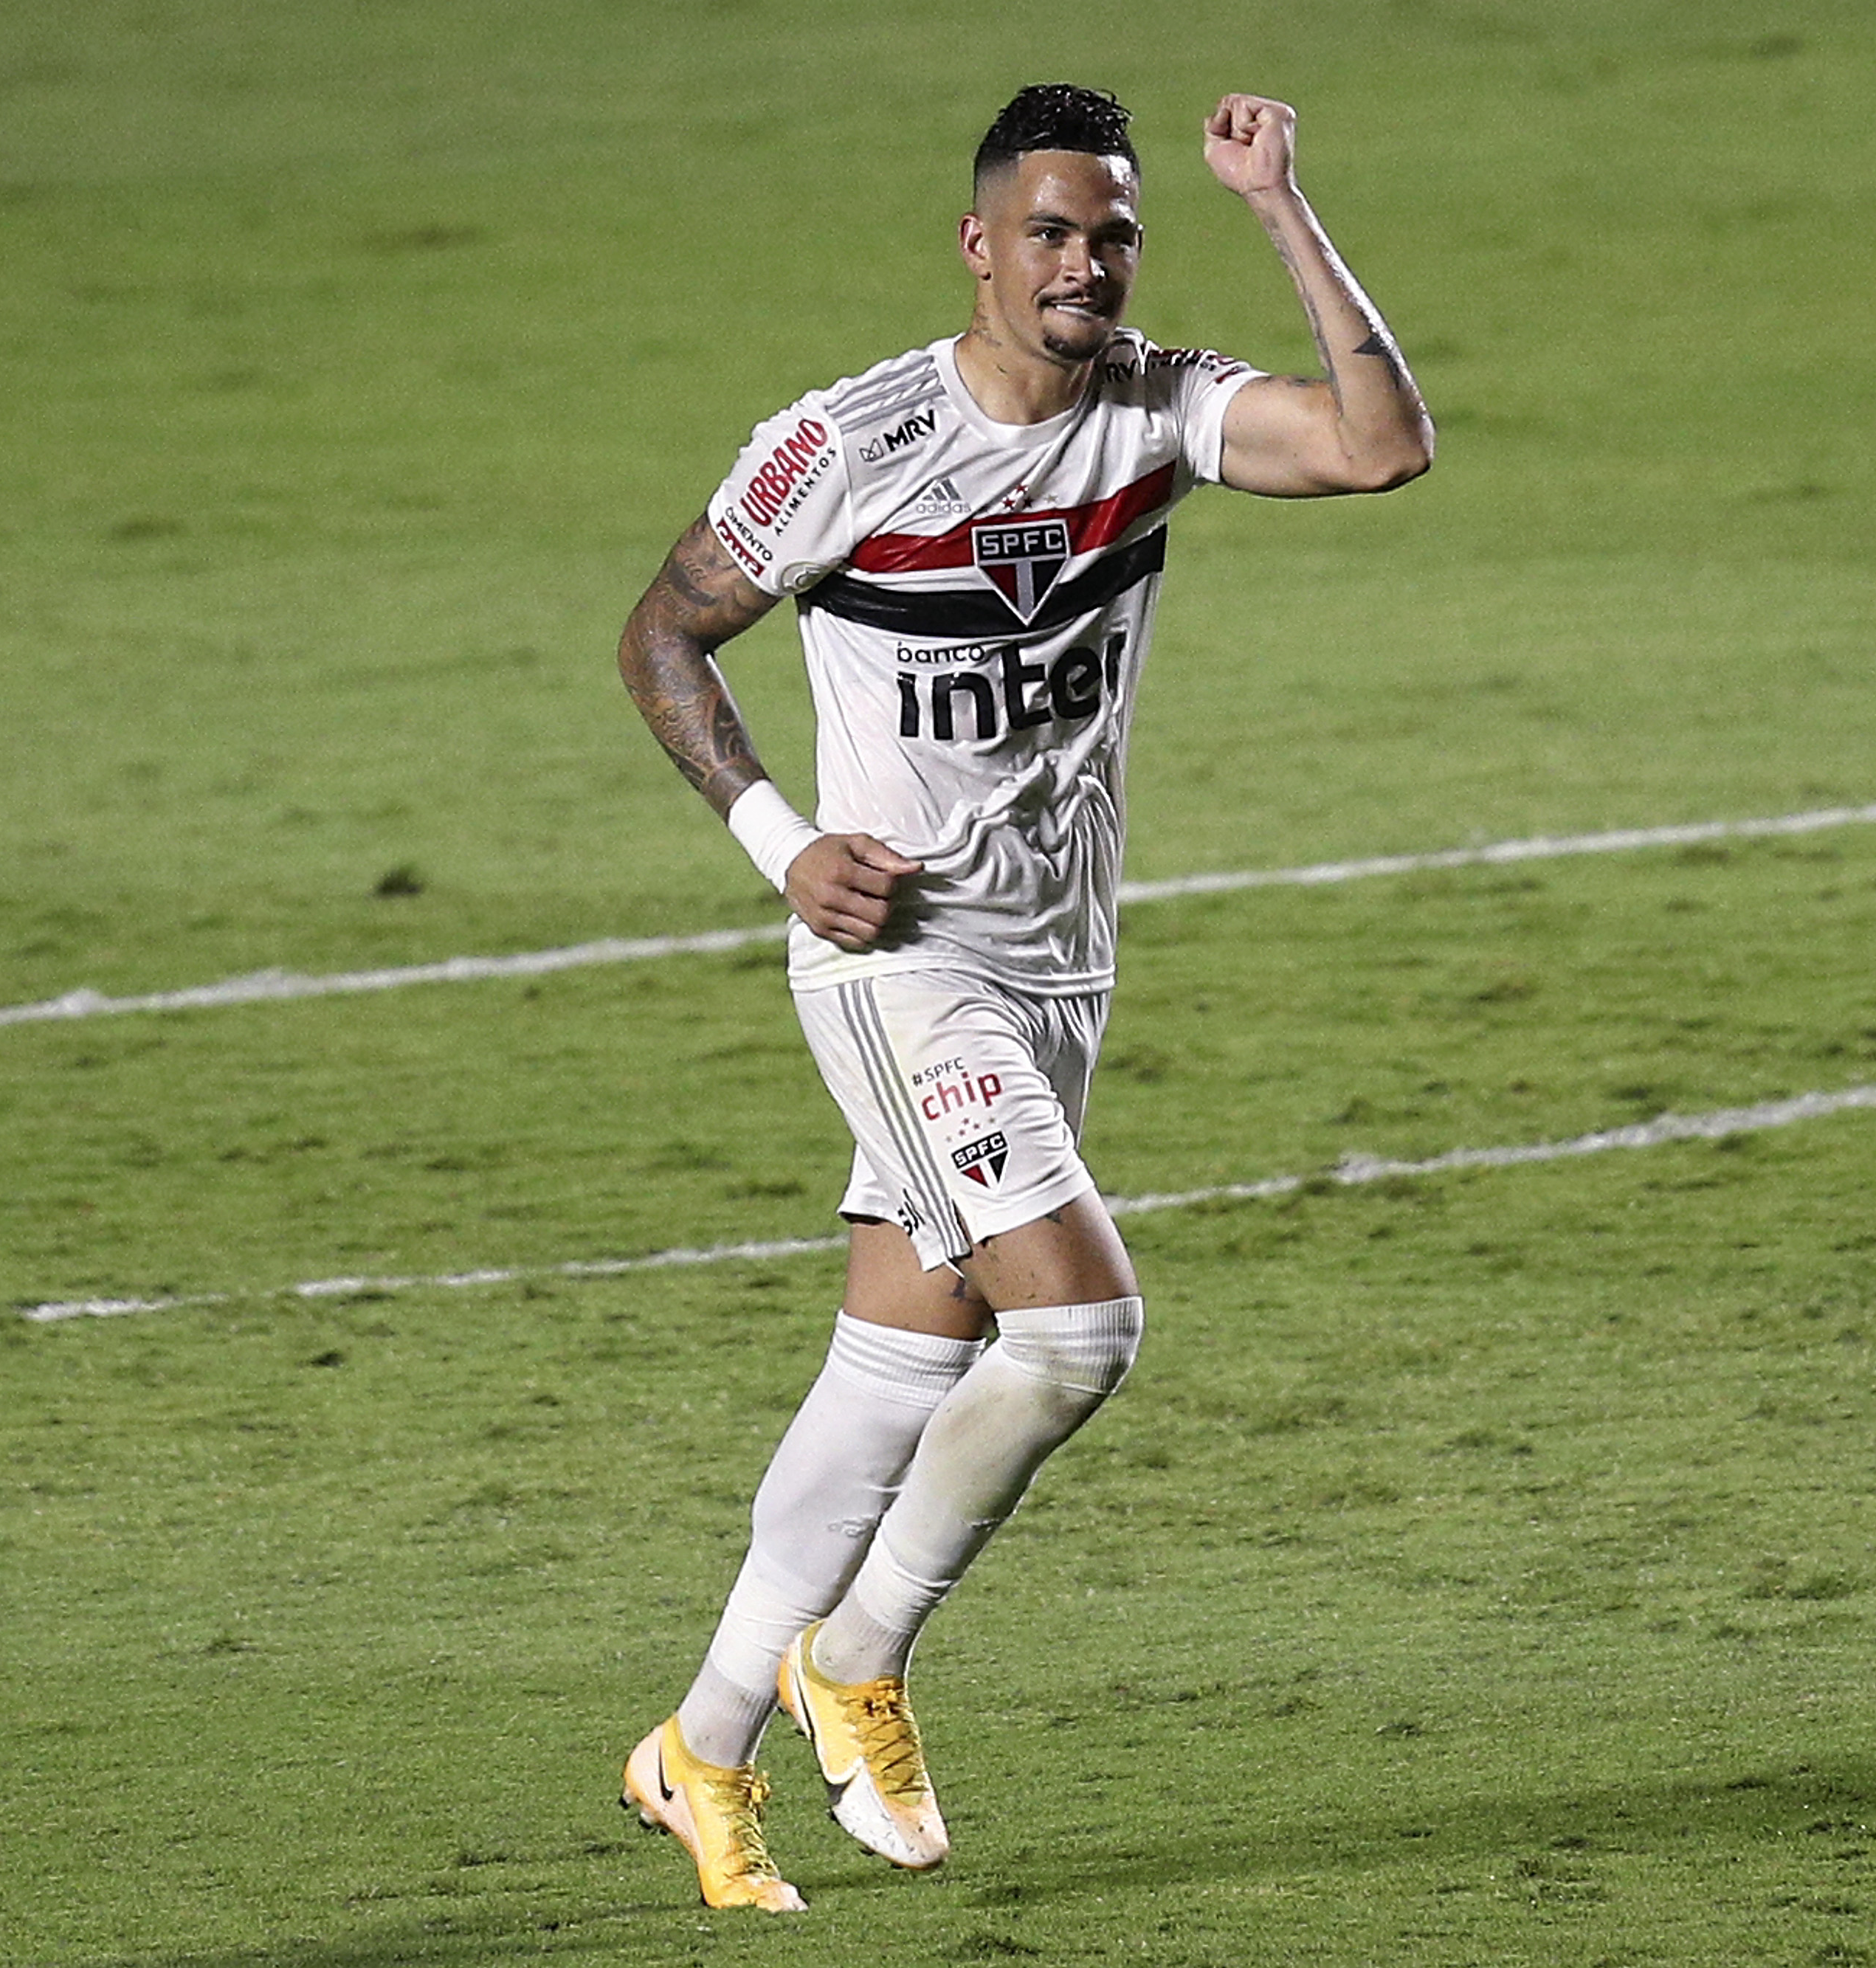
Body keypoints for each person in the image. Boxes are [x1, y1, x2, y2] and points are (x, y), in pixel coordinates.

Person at [613, 82, 1433, 1912]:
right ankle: (860, 1646)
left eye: (1114, 234)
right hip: (899, 963)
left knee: (895, 1362)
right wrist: (777, 839)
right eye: (1050, 232)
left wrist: (1284, 206)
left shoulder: (1155, 406)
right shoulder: (850, 439)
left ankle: (700, 1748)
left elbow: (1380, 446)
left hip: (1060, 964)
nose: (1083, 265)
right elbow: (657, 630)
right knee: (1074, 1334)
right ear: (980, 243)